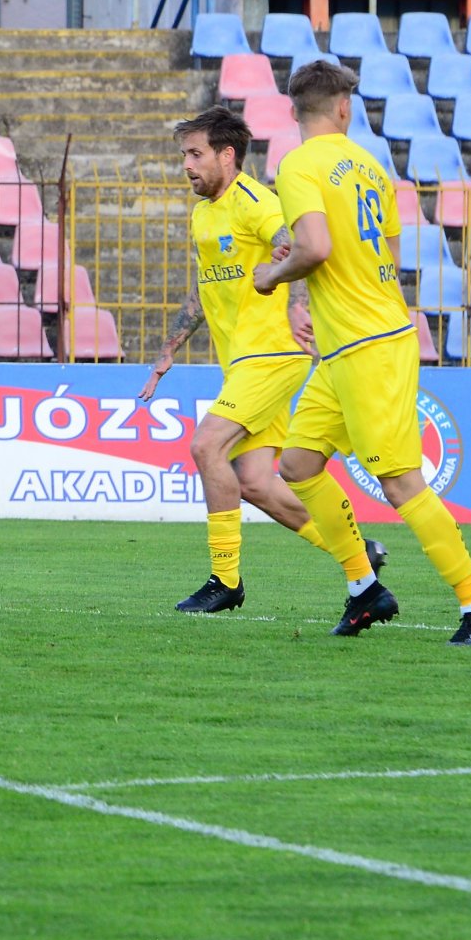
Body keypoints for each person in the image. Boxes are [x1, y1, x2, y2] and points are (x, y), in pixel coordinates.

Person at [256, 61, 471, 646]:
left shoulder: (296, 165)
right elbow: (388, 253)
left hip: (367, 345)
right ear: (343, 108)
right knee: (297, 465)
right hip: (351, 343)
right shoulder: (369, 164)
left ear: (296, 110)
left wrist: (273, 275)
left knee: (400, 484)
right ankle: (366, 587)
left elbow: (315, 247)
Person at [139, 107, 385, 611]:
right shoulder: (204, 212)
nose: (186, 164)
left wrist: (297, 306)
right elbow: (202, 289)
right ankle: (359, 554)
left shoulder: (254, 200)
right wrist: (168, 353)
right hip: (244, 361)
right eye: (184, 154)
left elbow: (292, 245)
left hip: (272, 355)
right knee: (253, 482)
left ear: (227, 156)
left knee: (207, 448)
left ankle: (225, 583)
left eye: (195, 154)